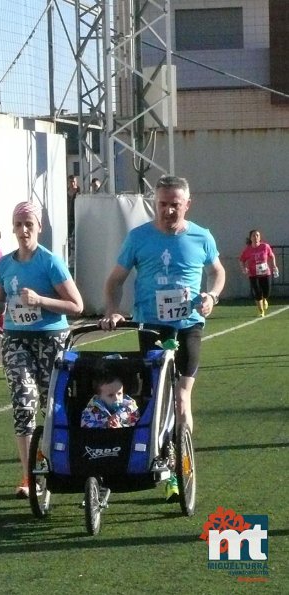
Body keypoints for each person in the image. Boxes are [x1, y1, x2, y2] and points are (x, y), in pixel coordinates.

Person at [99, 175, 225, 501]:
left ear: (187, 204)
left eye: (175, 205)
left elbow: (218, 271)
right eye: (162, 204)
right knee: (154, 398)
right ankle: (148, 456)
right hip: (152, 327)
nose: (168, 211)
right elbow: (114, 281)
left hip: (188, 325)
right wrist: (113, 310)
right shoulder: (139, 238)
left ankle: (179, 468)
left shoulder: (201, 236)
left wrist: (211, 295)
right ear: (156, 203)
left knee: (182, 397)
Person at [0, 201, 83, 498]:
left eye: (29, 224)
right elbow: (2, 300)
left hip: (51, 338)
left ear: (39, 227)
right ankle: (29, 476)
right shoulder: (4, 265)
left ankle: (62, 466)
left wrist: (41, 300)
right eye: (19, 224)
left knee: (52, 406)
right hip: (16, 338)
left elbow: (77, 306)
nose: (24, 230)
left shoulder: (50, 262)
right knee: (24, 400)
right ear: (12, 228)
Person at [239, 229, 278, 317]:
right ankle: (261, 311)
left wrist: (274, 266)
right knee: (257, 292)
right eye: (253, 235)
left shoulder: (265, 246)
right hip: (253, 274)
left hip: (265, 273)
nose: (255, 237)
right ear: (250, 238)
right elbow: (241, 260)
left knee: (266, 291)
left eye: (257, 235)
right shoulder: (248, 250)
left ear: (260, 237)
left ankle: (265, 299)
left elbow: (272, 256)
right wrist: (244, 268)